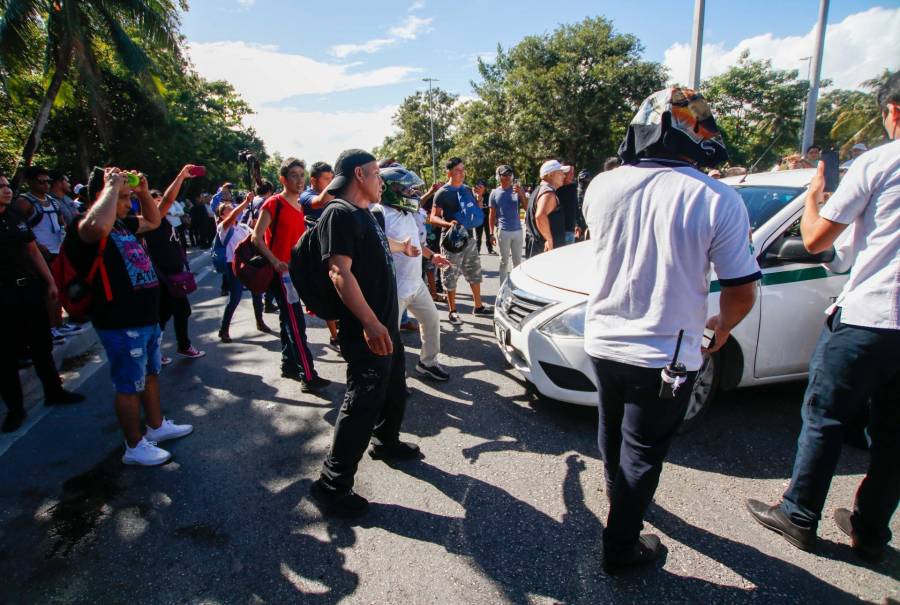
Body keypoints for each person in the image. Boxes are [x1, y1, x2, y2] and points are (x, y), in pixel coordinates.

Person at [584, 87, 760, 574]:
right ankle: (620, 547)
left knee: (611, 430)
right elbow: (742, 291)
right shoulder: (717, 197)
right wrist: (718, 332)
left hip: (602, 338)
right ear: (685, 130)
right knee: (643, 451)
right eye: (700, 123)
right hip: (666, 352)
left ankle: (619, 500)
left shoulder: (602, 186)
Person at [746, 73, 900, 564]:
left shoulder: (879, 163)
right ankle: (871, 530)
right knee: (896, 436)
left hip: (871, 316)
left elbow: (815, 241)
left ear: (892, 112)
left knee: (825, 417)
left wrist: (815, 193)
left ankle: (798, 514)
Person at [310, 149, 423, 517]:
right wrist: (371, 323)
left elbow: (376, 248)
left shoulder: (365, 214)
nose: (382, 182)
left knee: (393, 389)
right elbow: (338, 271)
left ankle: (386, 442)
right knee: (361, 402)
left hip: (385, 326)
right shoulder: (338, 213)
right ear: (359, 174)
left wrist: (405, 247)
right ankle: (332, 484)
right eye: (377, 174)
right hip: (367, 330)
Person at [65, 167, 193, 466]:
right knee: (128, 385)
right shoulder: (83, 227)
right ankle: (134, 446)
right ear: (101, 196)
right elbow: (96, 227)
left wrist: (144, 191)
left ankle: (157, 426)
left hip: (144, 319)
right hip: (119, 322)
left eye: (128, 197)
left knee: (149, 375)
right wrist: (111, 187)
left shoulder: (123, 225)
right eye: (123, 197)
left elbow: (153, 220)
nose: (127, 203)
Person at [0, 173, 84, 433]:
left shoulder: (14, 217)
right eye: (1, 186)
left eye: (6, 185)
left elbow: (33, 250)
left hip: (29, 289)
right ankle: (15, 410)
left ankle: (54, 391)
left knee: (41, 344)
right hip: (3, 297)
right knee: (6, 356)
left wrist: (50, 282)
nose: (7, 190)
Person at [251, 157, 329, 392]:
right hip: (281, 275)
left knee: (288, 319)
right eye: (294, 175)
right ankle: (308, 375)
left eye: (301, 175)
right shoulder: (273, 203)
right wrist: (275, 261)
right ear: (283, 179)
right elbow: (256, 237)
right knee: (296, 324)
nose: (299, 180)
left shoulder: (300, 205)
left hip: (295, 273)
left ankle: (289, 365)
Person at [372, 164, 452, 381]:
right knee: (390, 337)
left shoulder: (407, 213)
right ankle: (391, 379)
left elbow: (416, 243)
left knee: (432, 320)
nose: (413, 194)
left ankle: (428, 363)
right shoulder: (379, 214)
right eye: (407, 190)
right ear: (392, 190)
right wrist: (400, 246)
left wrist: (432, 256)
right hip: (394, 289)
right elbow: (373, 246)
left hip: (416, 285)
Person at [142, 167, 205, 363]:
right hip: (163, 277)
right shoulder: (151, 221)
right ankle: (165, 350)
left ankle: (170, 348)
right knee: (166, 314)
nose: (161, 203)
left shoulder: (165, 222)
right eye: (156, 201)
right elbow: (170, 200)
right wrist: (180, 177)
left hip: (174, 275)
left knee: (172, 313)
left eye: (161, 199)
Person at [429, 157, 492, 325]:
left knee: (474, 272)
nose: (462, 173)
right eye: (458, 170)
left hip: (469, 238)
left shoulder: (467, 190)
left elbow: (475, 212)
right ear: (449, 172)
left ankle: (478, 307)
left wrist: (479, 197)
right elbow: (432, 217)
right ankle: (452, 311)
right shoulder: (443, 192)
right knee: (450, 275)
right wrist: (448, 223)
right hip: (451, 240)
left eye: (463, 169)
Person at [216, 193, 269, 341]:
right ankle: (224, 329)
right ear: (221, 215)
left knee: (257, 293)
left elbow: (256, 239)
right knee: (235, 298)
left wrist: (256, 225)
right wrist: (246, 202)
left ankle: (260, 321)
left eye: (232, 207)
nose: (232, 209)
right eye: (228, 209)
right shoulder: (223, 227)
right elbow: (233, 216)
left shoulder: (243, 227)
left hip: (249, 264)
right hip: (233, 265)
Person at [299, 162, 339, 346]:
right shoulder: (307, 195)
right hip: (318, 255)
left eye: (332, 178)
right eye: (327, 179)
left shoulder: (334, 194)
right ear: (313, 180)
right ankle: (334, 335)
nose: (331, 182)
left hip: (335, 249)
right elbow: (320, 201)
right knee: (328, 294)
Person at [488, 164, 526, 284]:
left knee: (517, 262)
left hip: (518, 231)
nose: (508, 177)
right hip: (503, 231)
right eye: (504, 174)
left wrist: (521, 194)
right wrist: (490, 233)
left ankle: (517, 286)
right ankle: (503, 287)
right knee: (504, 261)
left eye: (510, 174)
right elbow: (492, 215)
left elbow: (527, 207)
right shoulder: (494, 193)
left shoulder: (517, 189)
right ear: (498, 177)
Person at [525, 159, 569, 258]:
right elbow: (540, 216)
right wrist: (549, 240)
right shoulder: (548, 193)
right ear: (551, 175)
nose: (564, 175)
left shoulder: (538, 190)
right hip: (546, 251)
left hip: (538, 248)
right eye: (560, 173)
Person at [557, 163, 578, 245]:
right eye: (570, 173)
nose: (572, 175)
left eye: (573, 173)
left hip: (571, 230)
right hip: (559, 231)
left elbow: (575, 207)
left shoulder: (573, 188)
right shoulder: (556, 188)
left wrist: (577, 224)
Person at [473, 179, 494, 254]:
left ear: (485, 187)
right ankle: (477, 250)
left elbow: (492, 207)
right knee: (478, 236)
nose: (480, 187)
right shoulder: (475, 195)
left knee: (489, 234)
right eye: (478, 185)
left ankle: (490, 249)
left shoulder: (489, 195)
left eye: (482, 185)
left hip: (487, 218)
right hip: (478, 218)